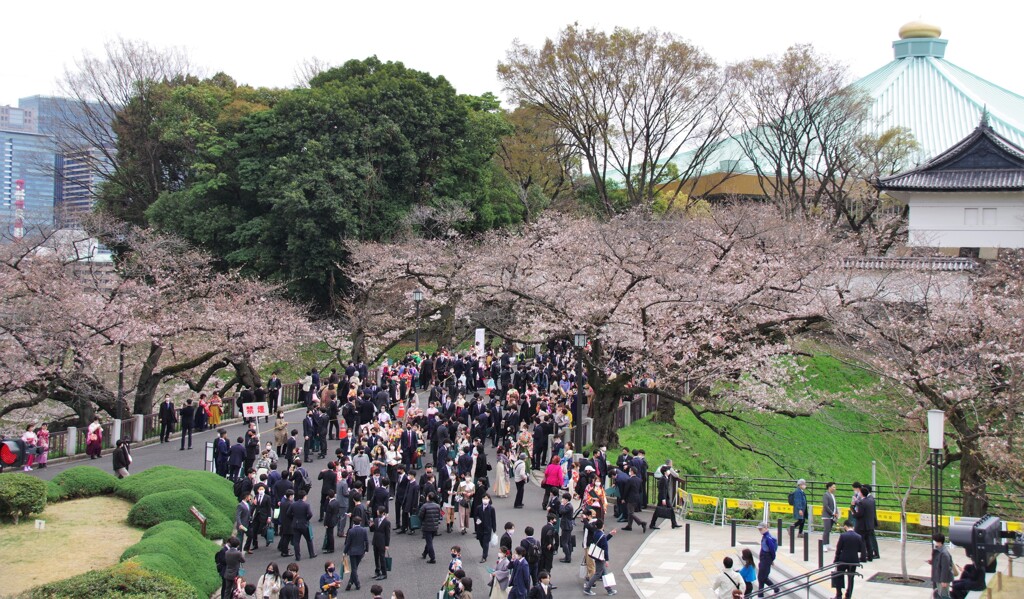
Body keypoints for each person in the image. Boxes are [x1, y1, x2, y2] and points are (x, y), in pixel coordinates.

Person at [832, 520, 867, 599]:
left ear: (845, 526)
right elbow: (861, 549)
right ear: (853, 527)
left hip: (843, 559)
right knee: (851, 578)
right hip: (854, 560)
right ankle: (848, 596)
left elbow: (838, 548)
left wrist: (836, 559)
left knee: (839, 576)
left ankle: (839, 595)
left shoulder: (843, 536)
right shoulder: (858, 536)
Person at [582, 518, 617, 596]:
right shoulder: (602, 535)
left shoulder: (596, 533)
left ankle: (609, 590)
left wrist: (610, 534)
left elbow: (602, 541)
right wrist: (607, 560)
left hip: (597, 555)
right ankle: (587, 588)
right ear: (603, 526)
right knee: (598, 574)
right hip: (601, 557)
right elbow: (605, 548)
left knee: (604, 573)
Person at [851, 485, 879, 561]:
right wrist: (857, 501)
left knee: (862, 542)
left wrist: (853, 512)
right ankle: (870, 556)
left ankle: (863, 557)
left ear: (862, 493)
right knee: (868, 541)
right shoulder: (871, 500)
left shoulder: (862, 502)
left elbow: (860, 514)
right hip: (869, 525)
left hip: (862, 526)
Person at [289, 491, 317, 561]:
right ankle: (311, 554)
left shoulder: (293, 504)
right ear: (304, 497)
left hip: (295, 524)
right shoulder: (306, 505)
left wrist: (293, 518)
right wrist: (306, 519)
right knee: (309, 540)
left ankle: (297, 557)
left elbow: (288, 513)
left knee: (296, 541)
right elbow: (310, 514)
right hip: (304, 524)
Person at [344, 516, 369, 591]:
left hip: (352, 552)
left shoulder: (351, 531)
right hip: (361, 551)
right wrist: (366, 550)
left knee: (354, 568)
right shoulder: (364, 530)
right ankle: (350, 583)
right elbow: (366, 541)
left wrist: (344, 552)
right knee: (355, 567)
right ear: (360, 522)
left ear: (353, 523)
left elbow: (348, 543)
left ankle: (356, 583)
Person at [927, 533, 954, 599]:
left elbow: (945, 568)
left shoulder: (944, 554)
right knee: (941, 595)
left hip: (943, 579)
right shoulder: (939, 551)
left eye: (935, 541)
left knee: (944, 596)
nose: (934, 542)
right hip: (939, 578)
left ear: (939, 542)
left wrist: (943, 581)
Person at [756, 522, 778, 598]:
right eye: (759, 529)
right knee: (761, 577)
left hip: (766, 559)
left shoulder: (768, 538)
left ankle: (775, 588)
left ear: (765, 528)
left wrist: (772, 559)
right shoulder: (765, 537)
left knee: (762, 577)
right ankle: (760, 594)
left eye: (761, 529)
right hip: (763, 559)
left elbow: (772, 550)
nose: (760, 531)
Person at [419, 491, 443, 563]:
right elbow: (440, 515)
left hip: (427, 527)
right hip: (434, 526)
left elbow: (420, 516)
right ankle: (424, 553)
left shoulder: (424, 506)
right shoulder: (437, 506)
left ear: (428, 498)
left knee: (429, 542)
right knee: (429, 541)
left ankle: (432, 558)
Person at [474, 493, 498, 563]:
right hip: (480, 528)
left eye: (487, 498)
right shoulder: (478, 508)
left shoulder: (491, 509)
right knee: (481, 541)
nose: (485, 500)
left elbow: (494, 519)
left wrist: (494, 529)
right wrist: (478, 520)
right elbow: (476, 516)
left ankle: (484, 556)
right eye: (484, 498)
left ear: (489, 499)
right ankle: (485, 550)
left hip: (488, 528)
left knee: (485, 542)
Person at [370, 507, 391, 581]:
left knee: (382, 558)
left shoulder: (386, 522)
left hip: (382, 542)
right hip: (375, 540)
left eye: (378, 511)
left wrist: (387, 545)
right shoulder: (376, 519)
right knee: (376, 557)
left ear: (382, 512)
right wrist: (371, 525)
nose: (377, 512)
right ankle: (377, 571)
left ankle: (384, 573)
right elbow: (372, 529)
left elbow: (388, 534)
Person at [822, 482, 839, 552]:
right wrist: (832, 513)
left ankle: (828, 544)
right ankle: (823, 545)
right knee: (826, 530)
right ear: (829, 487)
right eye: (833, 487)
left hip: (832, 516)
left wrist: (836, 512)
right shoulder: (826, 495)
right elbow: (826, 506)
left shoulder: (832, 495)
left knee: (829, 530)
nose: (834, 488)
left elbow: (835, 505)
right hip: (827, 516)